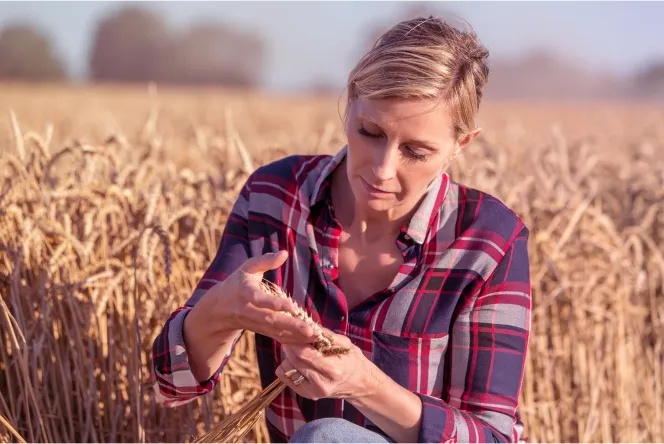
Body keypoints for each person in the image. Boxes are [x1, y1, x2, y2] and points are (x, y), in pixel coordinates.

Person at [151, 15, 531, 444]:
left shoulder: (489, 240)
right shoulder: (275, 197)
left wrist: (365, 385)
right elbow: (172, 384)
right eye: (370, 132)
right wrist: (220, 312)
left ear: (461, 144)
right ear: (350, 101)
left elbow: (494, 438)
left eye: (415, 151)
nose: (384, 169)